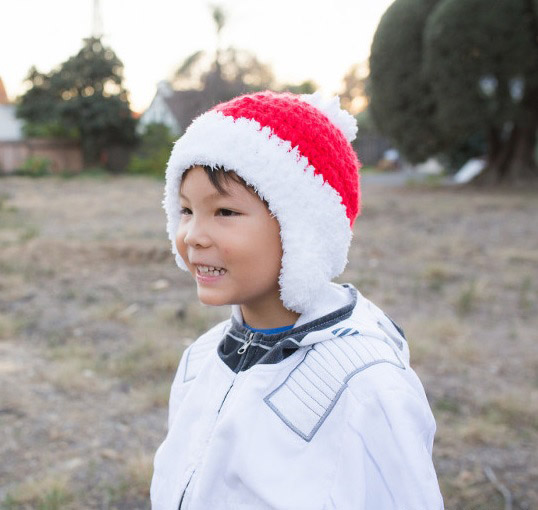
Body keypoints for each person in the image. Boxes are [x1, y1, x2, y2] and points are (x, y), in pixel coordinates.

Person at [151, 90, 444, 510]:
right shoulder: (201, 361)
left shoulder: (365, 388)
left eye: (225, 212)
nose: (193, 234)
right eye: (185, 210)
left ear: (301, 228)